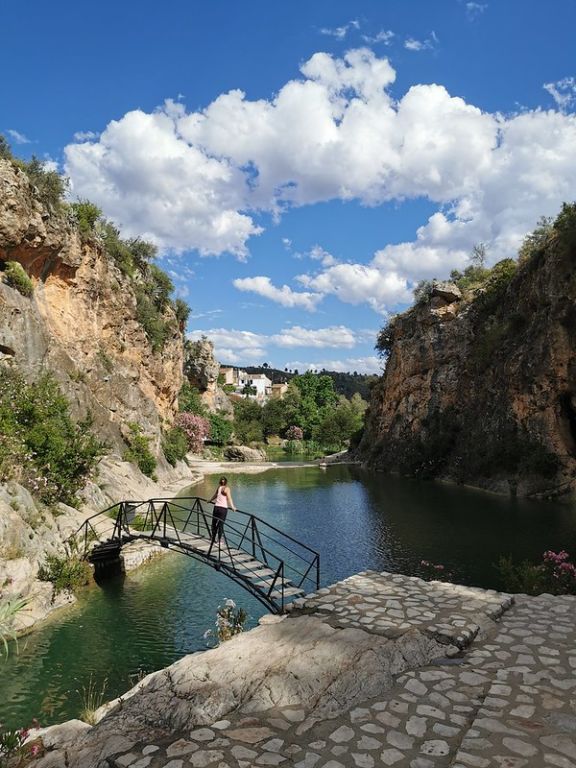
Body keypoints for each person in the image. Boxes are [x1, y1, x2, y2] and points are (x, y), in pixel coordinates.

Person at [209, 476, 236, 547]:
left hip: (216, 507)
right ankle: (219, 540)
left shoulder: (219, 488)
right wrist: (232, 507)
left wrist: (210, 500)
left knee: (214, 523)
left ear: (220, 482)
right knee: (220, 524)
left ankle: (213, 538)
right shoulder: (227, 489)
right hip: (223, 509)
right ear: (226, 482)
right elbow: (229, 498)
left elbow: (215, 495)